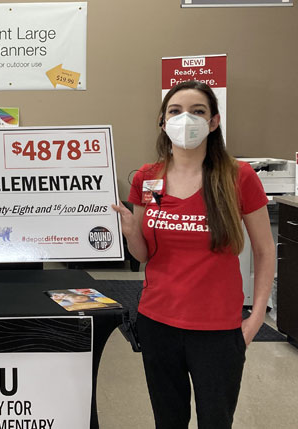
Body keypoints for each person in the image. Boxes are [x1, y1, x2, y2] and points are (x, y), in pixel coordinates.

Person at [112, 80, 275, 428]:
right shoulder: (149, 179)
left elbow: (264, 250)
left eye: (197, 111)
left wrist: (257, 315)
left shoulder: (237, 177)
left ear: (214, 121)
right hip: (157, 322)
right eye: (175, 111)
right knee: (168, 420)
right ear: (162, 120)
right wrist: (129, 232)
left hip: (218, 329)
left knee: (216, 420)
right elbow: (144, 254)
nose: (186, 119)